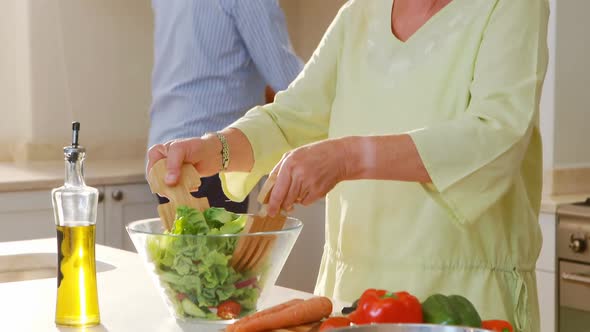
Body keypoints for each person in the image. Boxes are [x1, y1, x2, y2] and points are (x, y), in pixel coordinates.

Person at [147, 0, 549, 330]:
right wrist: (216, 149)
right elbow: (291, 116)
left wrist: (347, 158)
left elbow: (496, 136)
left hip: (464, 300)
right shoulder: (360, 14)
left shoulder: (509, 7)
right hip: (350, 299)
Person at [148, 0, 303, 212]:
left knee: (186, 244)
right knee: (216, 244)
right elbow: (292, 84)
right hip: (212, 156)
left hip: (164, 150)